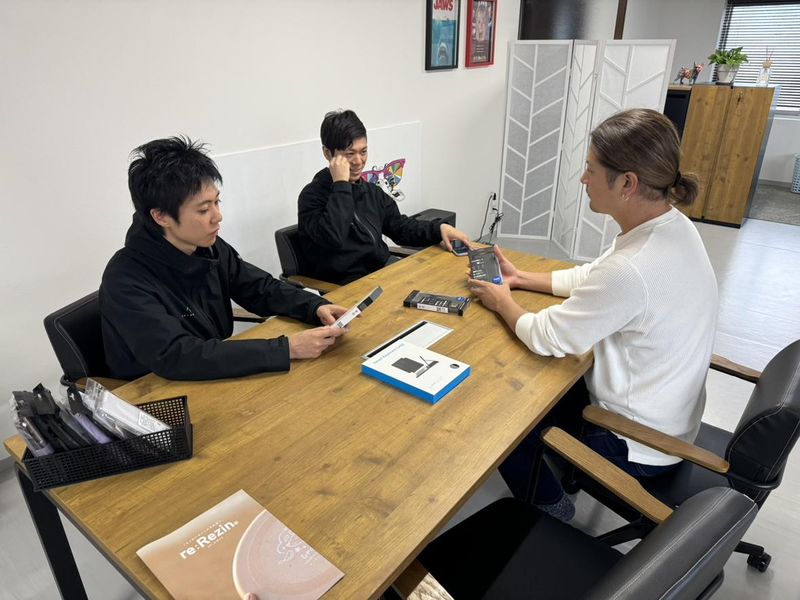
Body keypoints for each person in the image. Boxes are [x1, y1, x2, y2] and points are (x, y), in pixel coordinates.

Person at [468, 108, 718, 521]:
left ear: (627, 183)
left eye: (591, 168)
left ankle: (550, 509)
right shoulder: (670, 226)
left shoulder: (633, 269)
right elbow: (595, 276)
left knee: (499, 418)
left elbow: (547, 336)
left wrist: (500, 302)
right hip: (669, 420)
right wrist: (521, 278)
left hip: (636, 445)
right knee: (539, 387)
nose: (583, 179)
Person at [100, 136, 349, 381]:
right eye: (203, 209)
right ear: (161, 217)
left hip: (212, 376)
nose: (218, 216)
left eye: (216, 202)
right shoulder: (125, 278)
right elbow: (177, 355)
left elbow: (260, 288)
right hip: (157, 390)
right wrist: (287, 349)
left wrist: (314, 307)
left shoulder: (208, 247)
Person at [298, 109, 472, 285]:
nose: (358, 161)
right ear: (328, 153)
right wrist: (341, 185)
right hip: (348, 287)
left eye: (363, 152)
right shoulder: (311, 197)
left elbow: (400, 227)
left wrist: (438, 229)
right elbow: (333, 237)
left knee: (450, 283)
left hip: (385, 272)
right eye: (350, 154)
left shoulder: (370, 191)